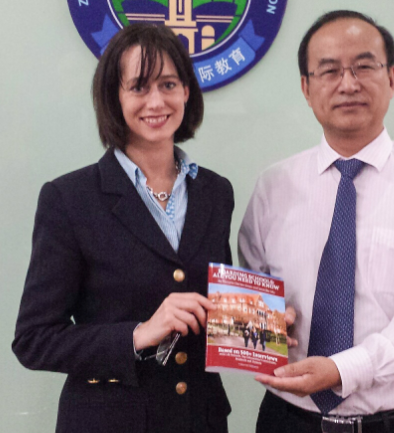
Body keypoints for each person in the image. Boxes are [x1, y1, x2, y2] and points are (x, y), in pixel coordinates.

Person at [239, 11, 394, 433]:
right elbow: (253, 288)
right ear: (306, 89)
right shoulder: (273, 186)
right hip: (289, 421)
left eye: (364, 66)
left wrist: (344, 369)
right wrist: (266, 323)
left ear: (391, 78)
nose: (348, 84)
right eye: (329, 71)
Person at [12, 24, 234, 433]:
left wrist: (266, 326)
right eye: (138, 87)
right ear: (114, 98)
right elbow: (34, 340)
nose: (156, 101)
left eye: (168, 84)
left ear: (187, 91)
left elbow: (213, 309)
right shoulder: (69, 198)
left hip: (199, 420)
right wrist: (139, 334)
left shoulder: (215, 192)